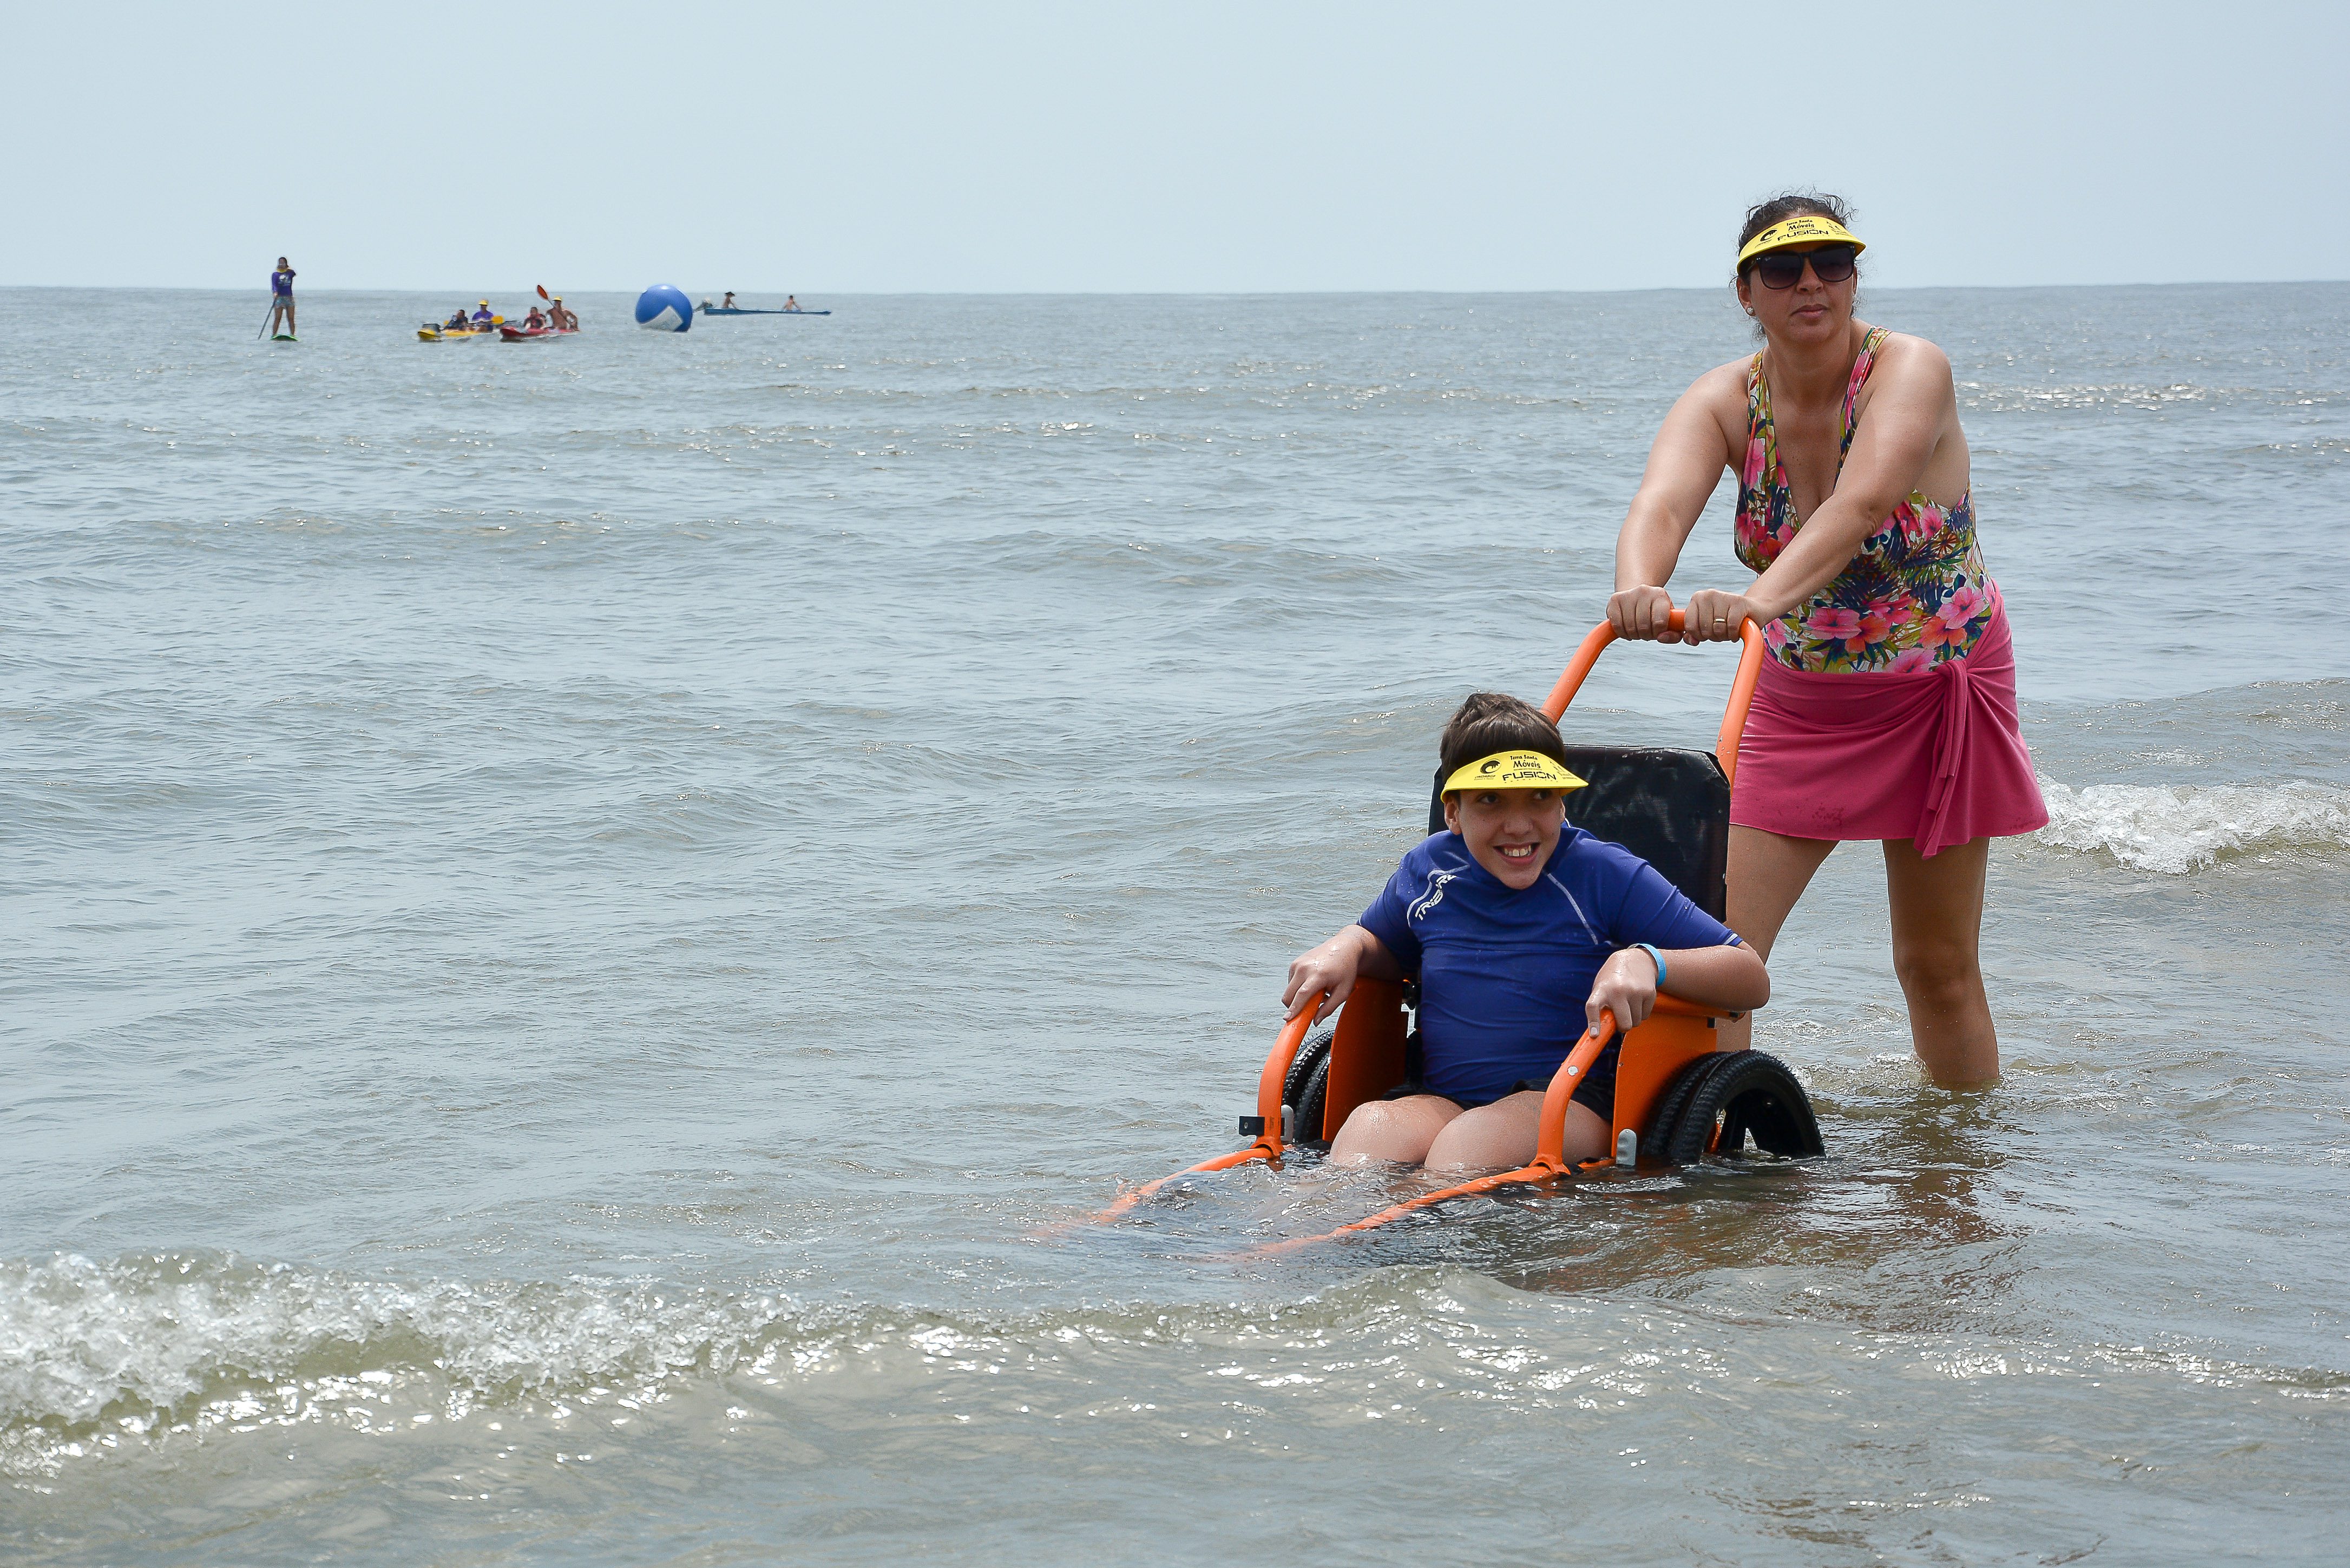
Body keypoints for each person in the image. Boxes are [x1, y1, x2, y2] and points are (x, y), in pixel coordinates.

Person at [1605, 192, 2047, 1089]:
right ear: (1746, 293)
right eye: (1781, 267)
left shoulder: (1909, 367)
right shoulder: (1724, 400)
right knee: (1716, 953)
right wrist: (1637, 588)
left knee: (1934, 966)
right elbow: (1661, 501)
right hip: (1802, 698)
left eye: (1831, 264)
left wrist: (1755, 600)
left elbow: (1864, 503)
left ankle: (1955, 1170)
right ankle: (1704, 1154)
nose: (1810, 283)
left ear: (1851, 279)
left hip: (1938, 688)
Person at [1281, 692, 1770, 1170]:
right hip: (1440, 1096)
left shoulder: (1604, 873)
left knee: (1463, 1151)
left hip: (1571, 1099)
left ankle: (1414, 1245)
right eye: (1490, 800)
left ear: (1562, 804)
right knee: (1365, 1136)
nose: (1518, 825)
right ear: (1453, 811)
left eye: (1540, 796)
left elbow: (1750, 976)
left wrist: (1648, 959)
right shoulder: (1429, 869)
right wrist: (1347, 944)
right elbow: (1386, 948)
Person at [267, 257, 296, 337]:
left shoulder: (289, 273)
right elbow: (274, 285)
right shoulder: (275, 274)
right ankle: (274, 335)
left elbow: (294, 274)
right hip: (279, 298)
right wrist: (275, 293)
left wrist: (287, 268)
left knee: (291, 318)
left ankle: (293, 335)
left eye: (283, 263)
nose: (281, 264)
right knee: (278, 318)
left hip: (289, 297)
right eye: (280, 263)